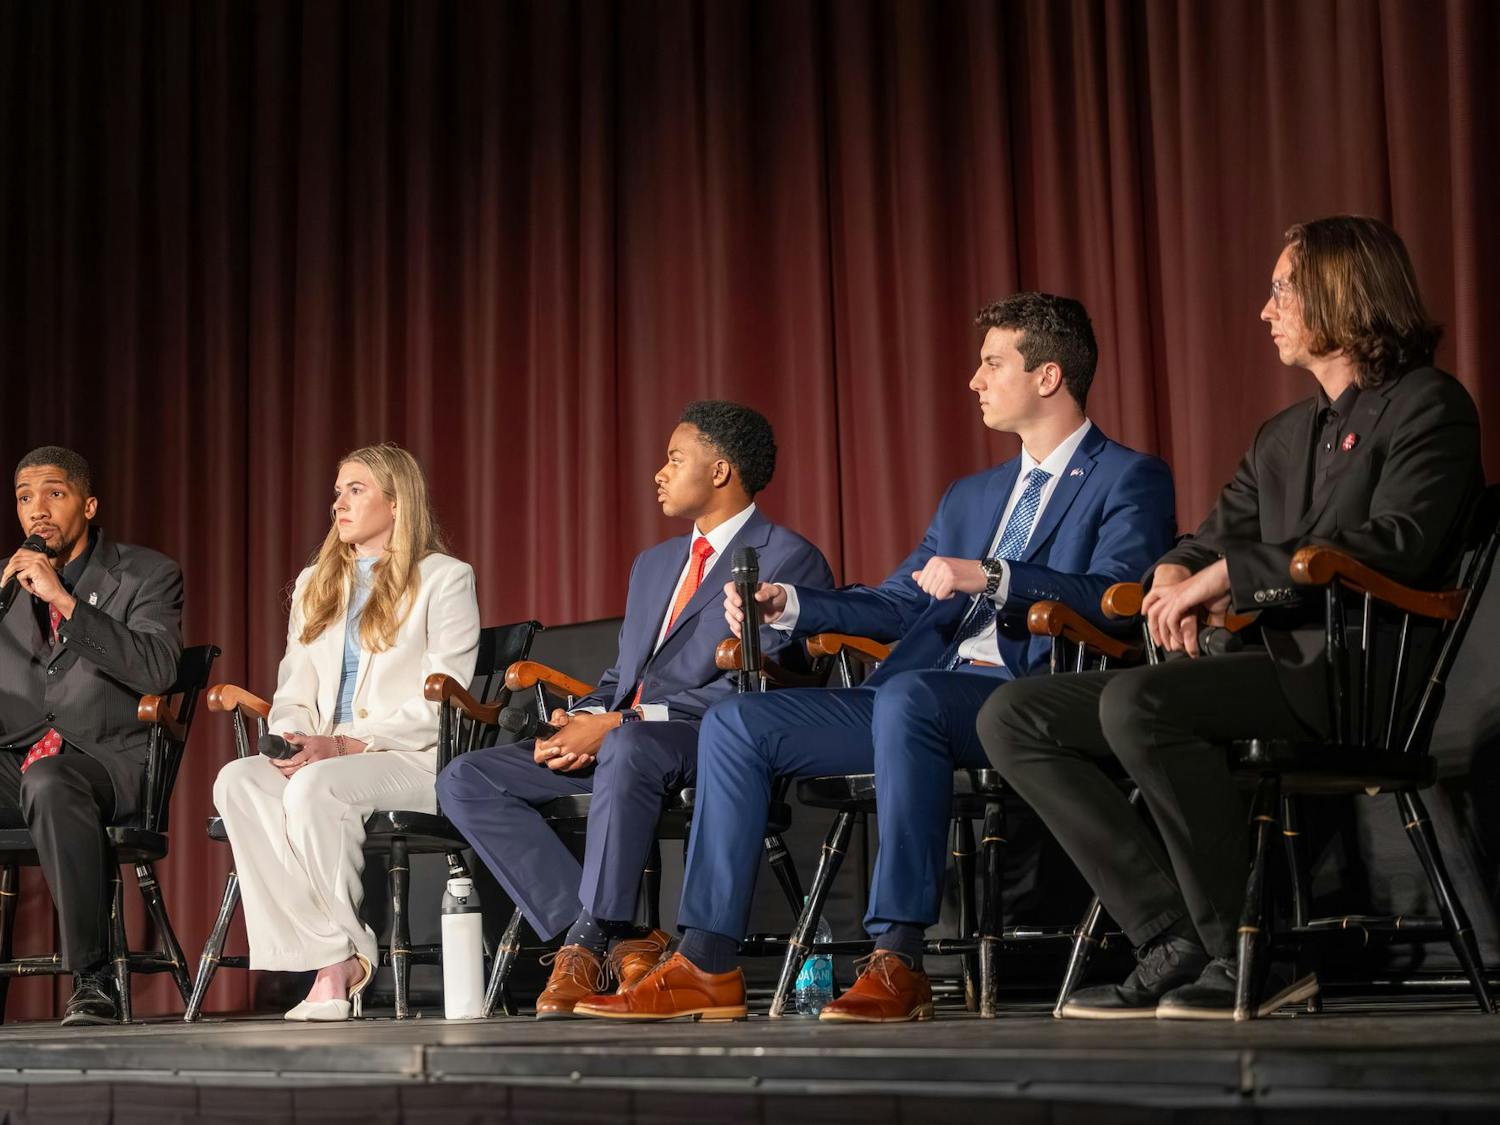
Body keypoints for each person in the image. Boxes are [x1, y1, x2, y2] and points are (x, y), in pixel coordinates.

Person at [579, 293, 1177, 1022]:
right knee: (737, 722)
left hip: (1029, 694)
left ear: (1048, 376)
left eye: (992, 363)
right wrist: (791, 605)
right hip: (915, 697)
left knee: (910, 698)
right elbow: (897, 603)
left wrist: (993, 576)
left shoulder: (1128, 476)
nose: (974, 380)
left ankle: (898, 956)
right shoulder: (972, 494)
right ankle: (707, 962)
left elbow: (1113, 592)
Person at [979, 215, 1483, 1020]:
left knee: (1135, 701)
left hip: (1354, 674)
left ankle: (1250, 955)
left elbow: (1401, 543)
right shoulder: (1284, 434)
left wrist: (1230, 576)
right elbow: (1213, 529)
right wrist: (1180, 565)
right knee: (1014, 715)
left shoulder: (1429, 405)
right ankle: (1171, 936)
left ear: (1338, 294)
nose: (1266, 310)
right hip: (1268, 668)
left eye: (1281, 290)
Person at [438, 401, 833, 1018]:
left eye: (675, 458)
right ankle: (622, 937)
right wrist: (582, 716)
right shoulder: (653, 566)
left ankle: (586, 942)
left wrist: (618, 723)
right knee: (465, 777)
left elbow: (756, 685)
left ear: (722, 470)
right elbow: (624, 675)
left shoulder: (786, 557)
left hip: (712, 741)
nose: (659, 472)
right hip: (626, 741)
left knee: (626, 744)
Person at [213, 443, 480, 1021]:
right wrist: (290, 741)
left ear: (397, 501)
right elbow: (292, 688)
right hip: (327, 753)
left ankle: (336, 968)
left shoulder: (444, 579)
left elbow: (445, 696)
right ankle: (337, 952)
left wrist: (345, 745)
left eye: (355, 489)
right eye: (337, 491)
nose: (338, 503)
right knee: (239, 780)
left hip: (408, 756)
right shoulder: (316, 582)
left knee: (316, 789)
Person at [0, 446, 184, 1025]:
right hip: (18, 760)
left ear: (89, 503)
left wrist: (63, 599)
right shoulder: (6, 587)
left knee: (51, 780)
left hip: (106, 763)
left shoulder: (146, 574)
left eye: (54, 494)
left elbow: (157, 669)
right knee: (38, 775)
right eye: (26, 498)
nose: (39, 511)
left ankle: (93, 979)